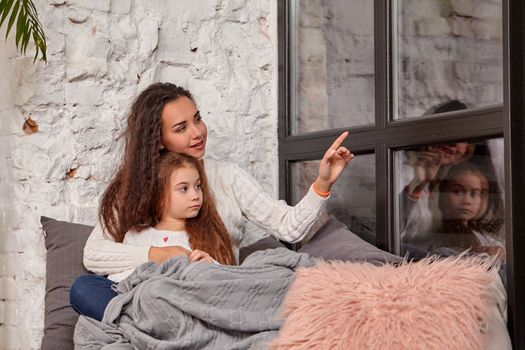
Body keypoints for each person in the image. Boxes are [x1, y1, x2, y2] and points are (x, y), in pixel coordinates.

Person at [70, 82, 354, 320]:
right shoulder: (135, 187)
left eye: (197, 118)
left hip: (207, 294)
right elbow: (94, 254)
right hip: (152, 299)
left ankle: (162, 328)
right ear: (158, 139)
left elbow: (289, 227)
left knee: (279, 278)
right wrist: (158, 255)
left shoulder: (226, 177)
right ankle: (155, 326)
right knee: (84, 288)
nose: (197, 132)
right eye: (181, 128)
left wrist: (322, 184)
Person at [428, 162, 505, 259]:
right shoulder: (437, 238)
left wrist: (500, 251)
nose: (466, 201)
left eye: (474, 193)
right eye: (457, 191)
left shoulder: (480, 235)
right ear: (443, 195)